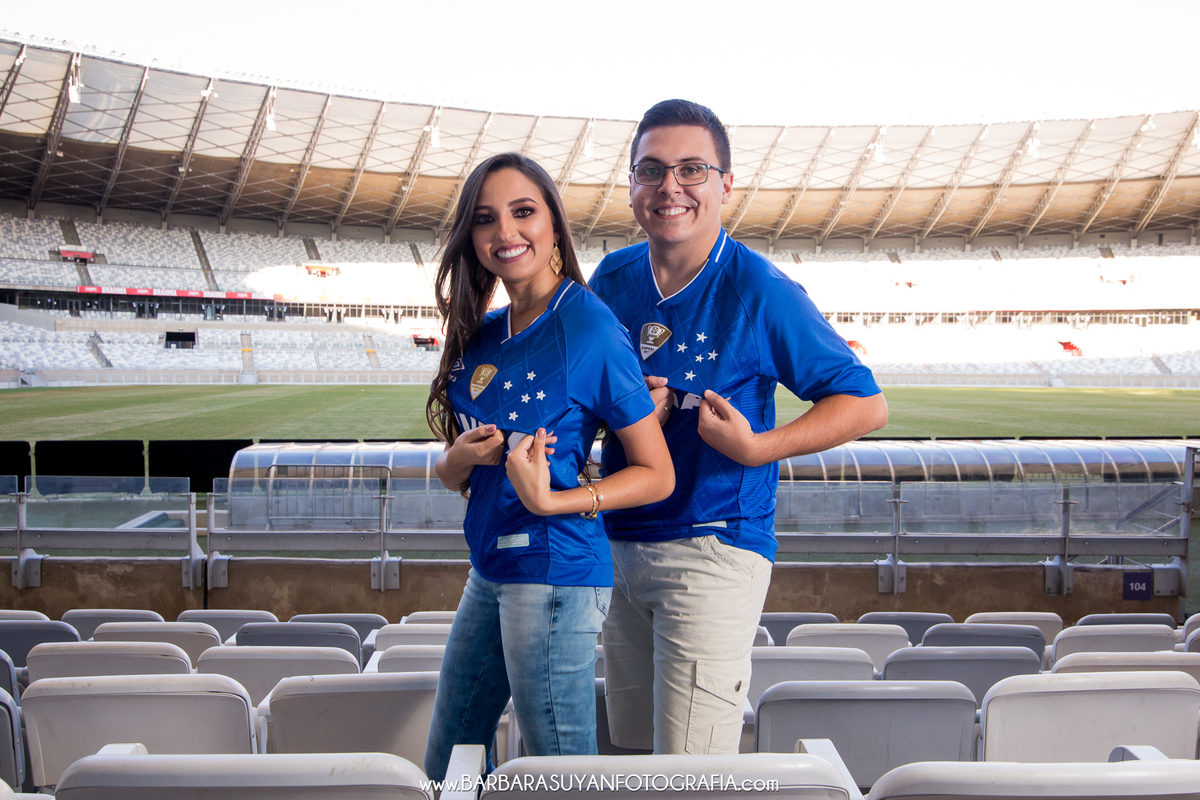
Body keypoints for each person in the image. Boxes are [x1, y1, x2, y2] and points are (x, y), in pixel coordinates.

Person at [589, 100, 889, 755]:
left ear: (726, 185)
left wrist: (757, 447)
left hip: (712, 547)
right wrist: (625, 414)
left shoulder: (760, 290)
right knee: (633, 753)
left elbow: (865, 404)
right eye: (651, 170)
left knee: (690, 772)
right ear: (632, 187)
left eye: (692, 169)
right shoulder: (611, 278)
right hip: (617, 544)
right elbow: (587, 396)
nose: (670, 186)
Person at [422, 152, 674, 780]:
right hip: (491, 566)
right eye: (485, 218)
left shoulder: (588, 328)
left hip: (555, 573)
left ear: (554, 224)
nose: (504, 232)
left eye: (523, 212)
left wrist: (552, 501)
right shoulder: (485, 331)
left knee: (556, 774)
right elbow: (457, 474)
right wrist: (455, 460)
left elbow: (656, 472)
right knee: (450, 761)